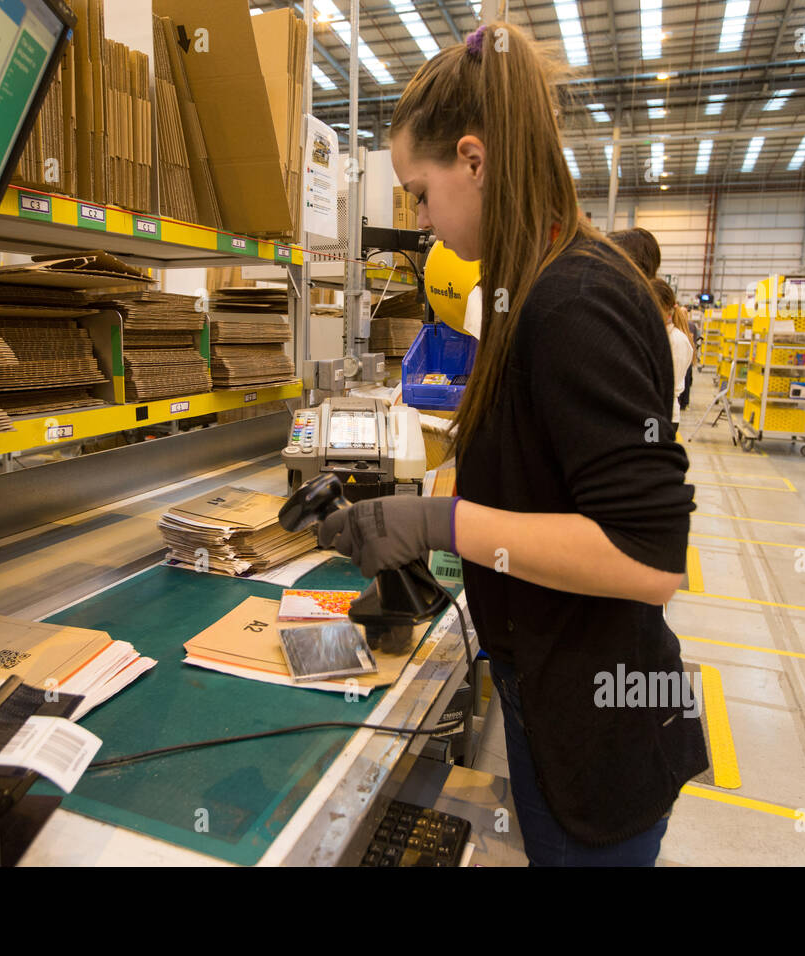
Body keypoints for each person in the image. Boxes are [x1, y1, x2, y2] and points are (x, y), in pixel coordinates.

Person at [316, 22, 707, 866]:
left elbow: (647, 559)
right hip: (557, 697)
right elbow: (542, 480)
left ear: (474, 159)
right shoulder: (532, 282)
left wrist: (441, 526)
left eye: (418, 192)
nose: (418, 222)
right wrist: (424, 514)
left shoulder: (573, 300)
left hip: (597, 733)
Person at [654, 279, 693, 427]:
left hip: (661, 415)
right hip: (653, 413)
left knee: (652, 449)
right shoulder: (660, 335)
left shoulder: (677, 340)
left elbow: (670, 382)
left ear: (665, 308)